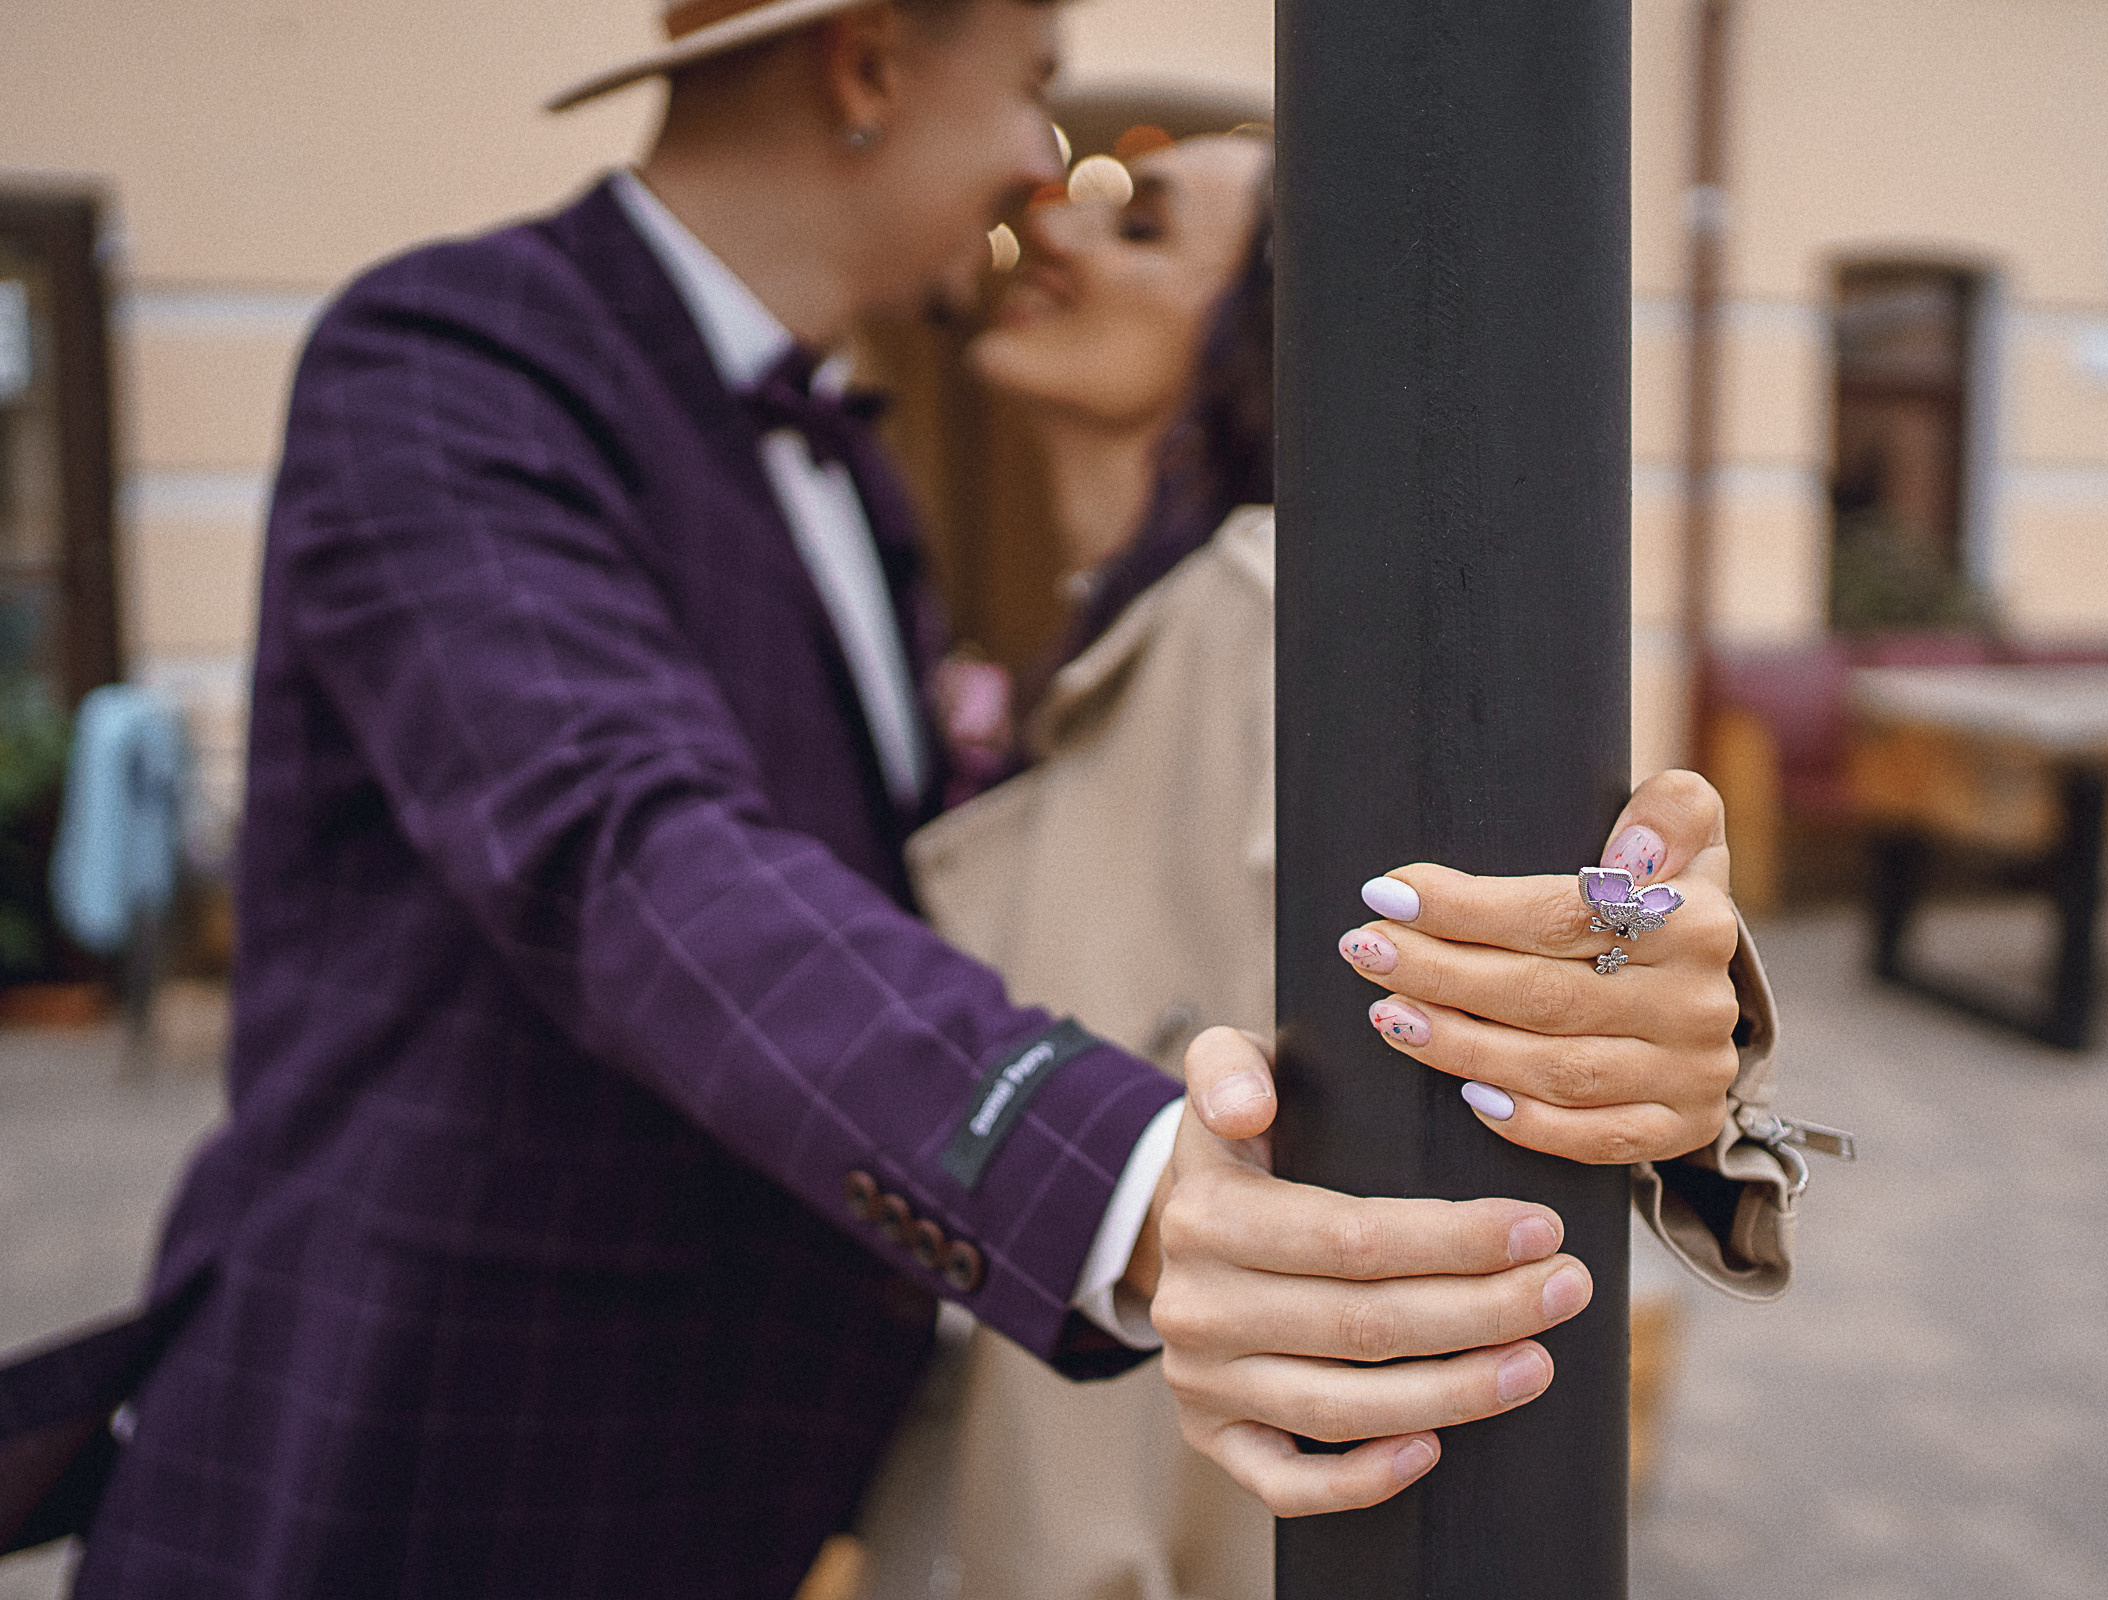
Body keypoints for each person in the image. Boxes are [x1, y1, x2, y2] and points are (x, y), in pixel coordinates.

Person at [15, 5, 1744, 1597]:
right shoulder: (451, 357)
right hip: (427, 1459)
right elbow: (627, 851)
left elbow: (1459, 930)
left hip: (835, 1493)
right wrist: (1122, 1188)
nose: (1038, 169)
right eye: (1036, 83)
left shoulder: (936, 498)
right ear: (865, 69)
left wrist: (1673, 999)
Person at [852, 130, 1786, 1599]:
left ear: (1269, 331)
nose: (1060, 230)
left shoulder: (1290, 623)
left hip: (1186, 1503)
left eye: (1142, 223)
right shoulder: (1114, 621)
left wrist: (1671, 993)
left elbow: (1550, 936)